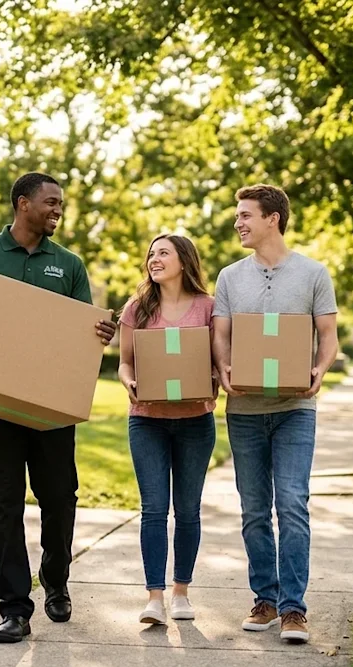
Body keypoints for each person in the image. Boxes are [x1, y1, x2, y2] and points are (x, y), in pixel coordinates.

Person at [0, 172, 116, 644]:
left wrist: (99, 334)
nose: (58, 210)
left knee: (59, 498)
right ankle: (13, 607)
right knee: (3, 505)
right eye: (50, 202)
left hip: (51, 408)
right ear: (22, 203)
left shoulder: (68, 264)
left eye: (61, 204)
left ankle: (56, 579)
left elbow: (79, 332)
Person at [212, 184, 338, 644]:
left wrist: (319, 369)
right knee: (252, 510)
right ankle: (264, 598)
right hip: (244, 409)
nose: (238, 223)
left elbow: (328, 335)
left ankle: (293, 609)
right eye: (237, 216)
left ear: (273, 219)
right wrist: (223, 369)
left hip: (295, 408)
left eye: (245, 215)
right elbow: (221, 336)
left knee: (292, 504)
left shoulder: (312, 273)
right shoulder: (231, 277)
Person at [116, 233, 218, 626]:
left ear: (183, 260)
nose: (154, 259)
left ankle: (181, 593)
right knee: (154, 509)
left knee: (188, 510)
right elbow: (125, 363)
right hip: (147, 421)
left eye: (163, 253)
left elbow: (218, 359)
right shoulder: (138, 308)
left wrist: (210, 377)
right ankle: (154, 597)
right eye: (151, 254)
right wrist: (129, 382)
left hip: (195, 420)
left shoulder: (208, 308)